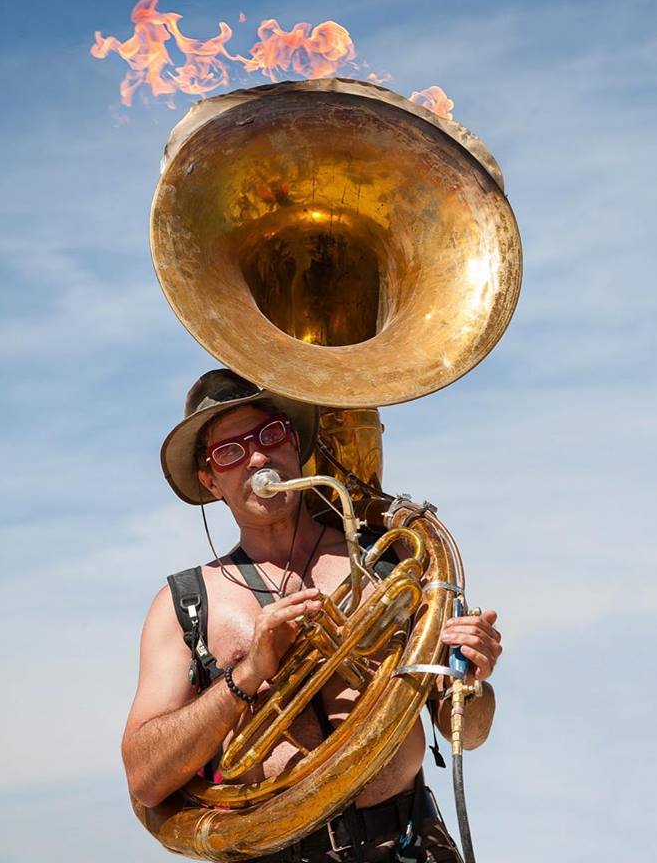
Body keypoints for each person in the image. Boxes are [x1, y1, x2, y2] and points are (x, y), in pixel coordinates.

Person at [123, 369, 503, 862]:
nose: (258, 457)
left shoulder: (389, 563)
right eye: (230, 451)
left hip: (411, 842)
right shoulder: (186, 603)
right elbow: (146, 780)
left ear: (295, 444)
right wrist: (249, 673)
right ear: (210, 480)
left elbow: (468, 734)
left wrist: (471, 677)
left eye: (270, 434)